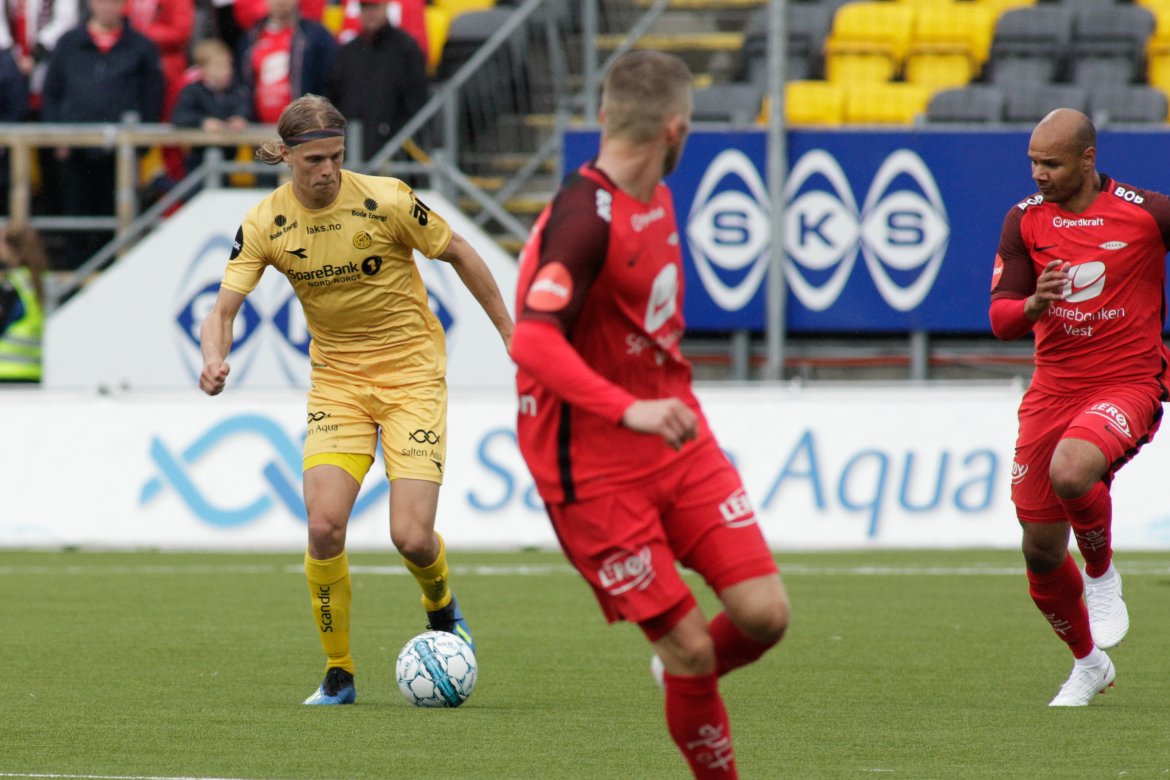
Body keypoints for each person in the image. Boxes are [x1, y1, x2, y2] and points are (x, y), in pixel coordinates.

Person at [509, 51, 790, 778]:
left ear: (605, 117)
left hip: (676, 441)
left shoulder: (659, 199)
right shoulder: (582, 220)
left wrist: (650, 408)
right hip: (593, 471)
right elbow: (533, 341)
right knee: (693, 646)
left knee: (765, 615)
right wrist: (628, 409)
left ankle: (682, 683)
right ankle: (691, 693)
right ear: (676, 128)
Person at [198, 94, 513, 706]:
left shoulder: (387, 199)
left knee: (412, 537)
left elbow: (462, 253)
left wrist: (507, 328)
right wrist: (215, 356)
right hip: (338, 385)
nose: (328, 171)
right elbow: (222, 310)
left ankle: (442, 608)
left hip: (412, 378)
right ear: (288, 157)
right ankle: (339, 673)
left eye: (337, 157)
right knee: (323, 527)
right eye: (315, 159)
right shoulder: (266, 222)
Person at [990, 108, 1170, 706]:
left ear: (1087, 159)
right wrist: (1035, 305)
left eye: (1052, 163)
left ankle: (1101, 574)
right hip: (1053, 389)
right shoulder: (1024, 220)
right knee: (1040, 550)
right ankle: (1089, 664)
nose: (1039, 174)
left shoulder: (1147, 214)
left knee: (1071, 470)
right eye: (1033, 162)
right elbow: (1000, 319)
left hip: (1127, 382)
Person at [40, 0, 163, 268]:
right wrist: (56, 136)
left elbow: (152, 98)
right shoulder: (68, 43)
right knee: (76, 224)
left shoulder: (141, 47)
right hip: (75, 152)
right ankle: (74, 286)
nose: (107, 7)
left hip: (120, 154)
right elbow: (51, 92)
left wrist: (140, 145)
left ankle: (112, 282)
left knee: (118, 222)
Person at [326, 0, 427, 165]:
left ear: (386, 7)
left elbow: (416, 100)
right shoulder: (348, 52)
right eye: (365, 8)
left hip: (397, 150)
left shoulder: (406, 48)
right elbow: (334, 97)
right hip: (353, 148)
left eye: (375, 7)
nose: (370, 13)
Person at [237, 0, 336, 127]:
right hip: (259, 131)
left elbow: (331, 82)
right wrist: (241, 114)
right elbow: (241, 85)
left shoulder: (316, 36)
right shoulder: (251, 38)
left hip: (304, 131)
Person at [171, 38, 250, 174]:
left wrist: (240, 118)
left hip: (228, 160)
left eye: (228, 65)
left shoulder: (237, 90)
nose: (227, 71)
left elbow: (245, 107)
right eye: (219, 66)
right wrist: (203, 122)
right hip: (199, 159)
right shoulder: (192, 91)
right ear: (203, 69)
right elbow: (180, 116)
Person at [0, 223, 47, 383]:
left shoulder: (12, 285)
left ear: (12, 248)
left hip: (5, 371)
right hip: (33, 371)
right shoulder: (39, 281)